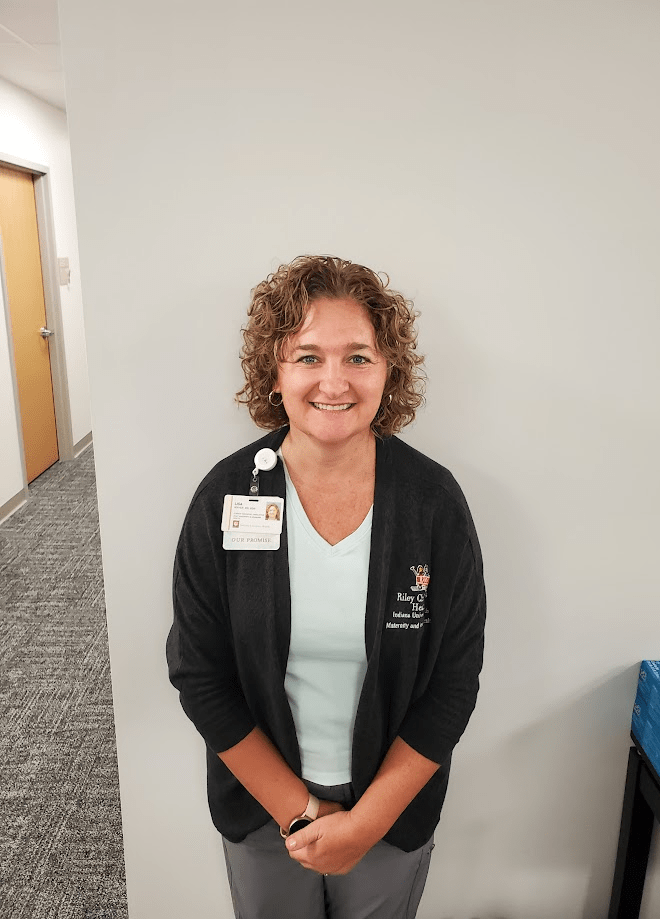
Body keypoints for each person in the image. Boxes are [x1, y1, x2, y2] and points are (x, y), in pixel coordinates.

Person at [167, 255, 486, 919]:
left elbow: (451, 685)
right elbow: (199, 674)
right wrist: (303, 813)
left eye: (357, 357)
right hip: (263, 816)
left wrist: (365, 823)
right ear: (273, 372)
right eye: (307, 356)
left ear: (387, 367)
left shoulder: (432, 504)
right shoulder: (225, 496)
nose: (333, 380)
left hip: (389, 818)